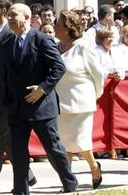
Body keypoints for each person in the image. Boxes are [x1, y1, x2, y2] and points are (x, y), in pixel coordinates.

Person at [4, 3, 78, 195]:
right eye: (8, 15)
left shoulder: (42, 39)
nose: (9, 18)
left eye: (13, 15)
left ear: (27, 18)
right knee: (18, 152)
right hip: (17, 107)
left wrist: (43, 89)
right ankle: (21, 190)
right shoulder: (8, 43)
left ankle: (70, 183)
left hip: (41, 107)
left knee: (53, 149)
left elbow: (58, 68)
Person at [0, 0, 36, 195]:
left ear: (2, 10)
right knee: (8, 141)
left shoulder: (12, 35)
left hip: (7, 99)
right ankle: (27, 177)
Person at [54, 10, 104, 190]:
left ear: (67, 28)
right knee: (64, 145)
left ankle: (93, 167)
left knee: (81, 143)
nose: (54, 26)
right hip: (60, 104)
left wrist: (95, 94)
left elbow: (98, 74)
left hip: (81, 103)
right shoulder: (56, 46)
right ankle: (68, 181)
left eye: (57, 24)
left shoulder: (84, 46)